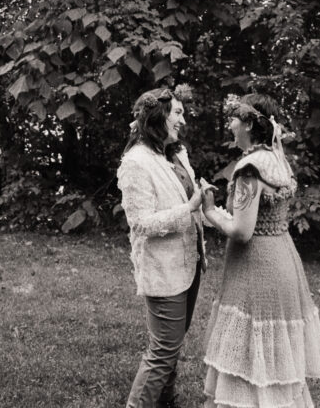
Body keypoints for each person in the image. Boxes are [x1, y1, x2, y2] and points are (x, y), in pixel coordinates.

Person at [199, 93, 320, 407]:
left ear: (248, 124)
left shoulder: (249, 169)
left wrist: (210, 211)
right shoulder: (277, 159)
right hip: (284, 260)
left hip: (256, 268)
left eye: (234, 119)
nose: (230, 125)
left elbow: (242, 231)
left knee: (247, 353)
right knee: (274, 356)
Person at [118, 86, 206, 408]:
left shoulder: (176, 153)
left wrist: (209, 208)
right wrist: (190, 207)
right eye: (178, 113)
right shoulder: (136, 162)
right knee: (162, 351)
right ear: (159, 116)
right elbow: (141, 223)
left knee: (173, 346)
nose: (183, 120)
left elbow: (191, 202)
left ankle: (167, 403)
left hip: (190, 266)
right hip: (163, 270)